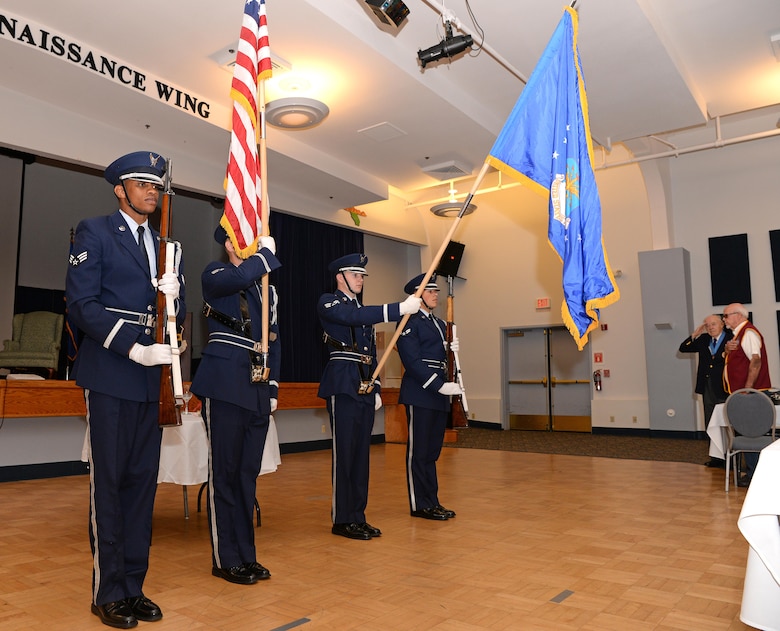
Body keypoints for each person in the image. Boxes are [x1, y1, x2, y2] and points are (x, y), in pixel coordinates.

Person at [66, 150, 185, 628]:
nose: (151, 191)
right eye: (141, 184)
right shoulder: (95, 231)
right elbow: (81, 306)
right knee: (110, 485)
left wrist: (170, 334)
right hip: (114, 371)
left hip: (150, 377)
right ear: (120, 189)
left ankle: (133, 586)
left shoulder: (165, 246)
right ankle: (107, 590)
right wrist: (133, 348)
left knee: (141, 487)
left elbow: (166, 315)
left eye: (156, 185)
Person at [191, 226, 280, 585]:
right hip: (225, 381)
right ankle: (225, 558)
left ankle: (246, 554)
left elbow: (274, 337)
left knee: (246, 477)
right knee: (225, 475)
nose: (249, 246)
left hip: (256, 385)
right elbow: (241, 276)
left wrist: (273, 386)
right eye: (241, 238)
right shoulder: (215, 274)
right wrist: (265, 256)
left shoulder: (266, 291)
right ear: (229, 244)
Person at [318, 253, 422, 540]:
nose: (360, 280)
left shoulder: (362, 309)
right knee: (345, 454)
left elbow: (371, 354)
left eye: (362, 276)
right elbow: (351, 317)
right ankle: (342, 519)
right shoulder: (329, 301)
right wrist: (397, 308)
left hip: (364, 382)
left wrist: (375, 387)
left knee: (362, 456)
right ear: (340, 277)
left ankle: (358, 516)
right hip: (342, 381)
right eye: (355, 275)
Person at [396, 273, 461, 521]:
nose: (436, 295)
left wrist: (449, 350)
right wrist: (438, 385)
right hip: (421, 392)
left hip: (437, 393)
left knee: (432, 452)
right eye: (431, 291)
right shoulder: (408, 321)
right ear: (418, 294)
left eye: (436, 291)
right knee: (419, 452)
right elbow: (412, 361)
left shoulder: (437, 323)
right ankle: (419, 504)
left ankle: (432, 501)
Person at [722, 303, 772, 486]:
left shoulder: (749, 333)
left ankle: (755, 475)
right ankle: (752, 473)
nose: (724, 319)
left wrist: (747, 390)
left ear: (739, 315)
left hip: (749, 395)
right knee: (747, 433)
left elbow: (756, 361)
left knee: (751, 434)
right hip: (744, 394)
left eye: (726, 315)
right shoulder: (740, 334)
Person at [679, 314, 732, 468]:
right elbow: (683, 348)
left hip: (724, 386)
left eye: (713, 324)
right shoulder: (703, 339)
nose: (710, 327)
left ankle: (730, 455)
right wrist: (694, 335)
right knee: (711, 422)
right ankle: (716, 458)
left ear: (722, 324)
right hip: (707, 385)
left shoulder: (731, 338)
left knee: (727, 422)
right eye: (707, 325)